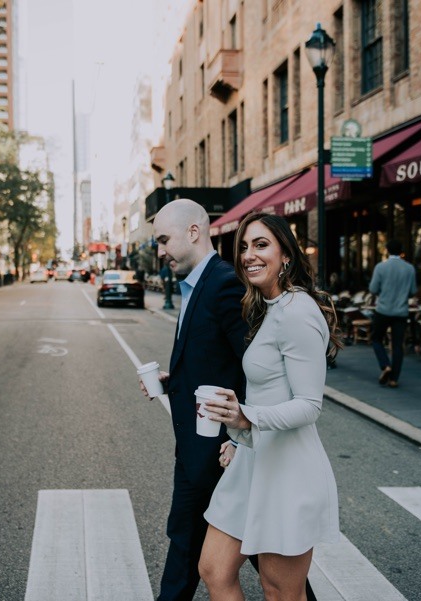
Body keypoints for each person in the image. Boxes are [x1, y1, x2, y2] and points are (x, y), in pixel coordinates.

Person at [198, 213, 342, 600]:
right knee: (213, 569)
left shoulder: (297, 311)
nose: (248, 255)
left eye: (261, 245)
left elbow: (309, 405)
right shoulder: (269, 307)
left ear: (286, 256)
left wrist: (248, 417)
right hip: (253, 460)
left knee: (279, 591)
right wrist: (241, 434)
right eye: (243, 247)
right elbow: (270, 392)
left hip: (287, 473)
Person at [143, 199, 249, 600]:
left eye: (164, 239)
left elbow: (253, 367)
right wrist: (175, 382)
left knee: (262, 551)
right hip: (194, 447)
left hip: (221, 450)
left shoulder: (224, 283)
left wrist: (240, 440)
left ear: (193, 232)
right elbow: (213, 360)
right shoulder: (194, 284)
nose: (161, 250)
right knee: (186, 538)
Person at [368, 239, 417, 388]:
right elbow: (413, 291)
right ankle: (394, 379)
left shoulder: (381, 267)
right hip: (401, 311)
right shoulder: (409, 268)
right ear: (401, 251)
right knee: (397, 345)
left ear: (387, 250)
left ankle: (385, 365)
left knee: (376, 338)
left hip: (383, 310)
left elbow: (373, 289)